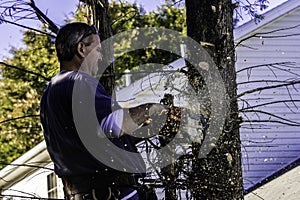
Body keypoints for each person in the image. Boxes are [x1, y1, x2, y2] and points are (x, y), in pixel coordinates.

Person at [40, 22, 167, 200]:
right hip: (111, 193)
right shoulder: (79, 81)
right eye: (98, 50)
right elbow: (110, 127)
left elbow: (97, 138)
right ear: (81, 48)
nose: (101, 56)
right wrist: (151, 108)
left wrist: (148, 129)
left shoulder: (50, 94)